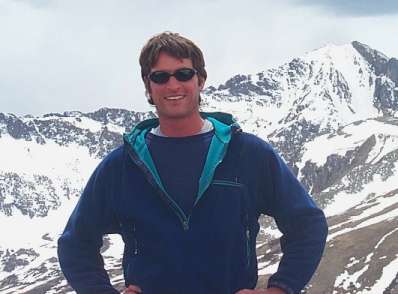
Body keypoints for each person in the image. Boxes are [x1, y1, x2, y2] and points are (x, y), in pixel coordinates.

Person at [58, 32, 328, 294]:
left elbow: (308, 224)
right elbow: (75, 243)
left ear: (201, 80)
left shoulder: (248, 154)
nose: (173, 85)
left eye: (184, 74)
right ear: (148, 86)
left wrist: (281, 288)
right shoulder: (121, 167)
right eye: (160, 77)